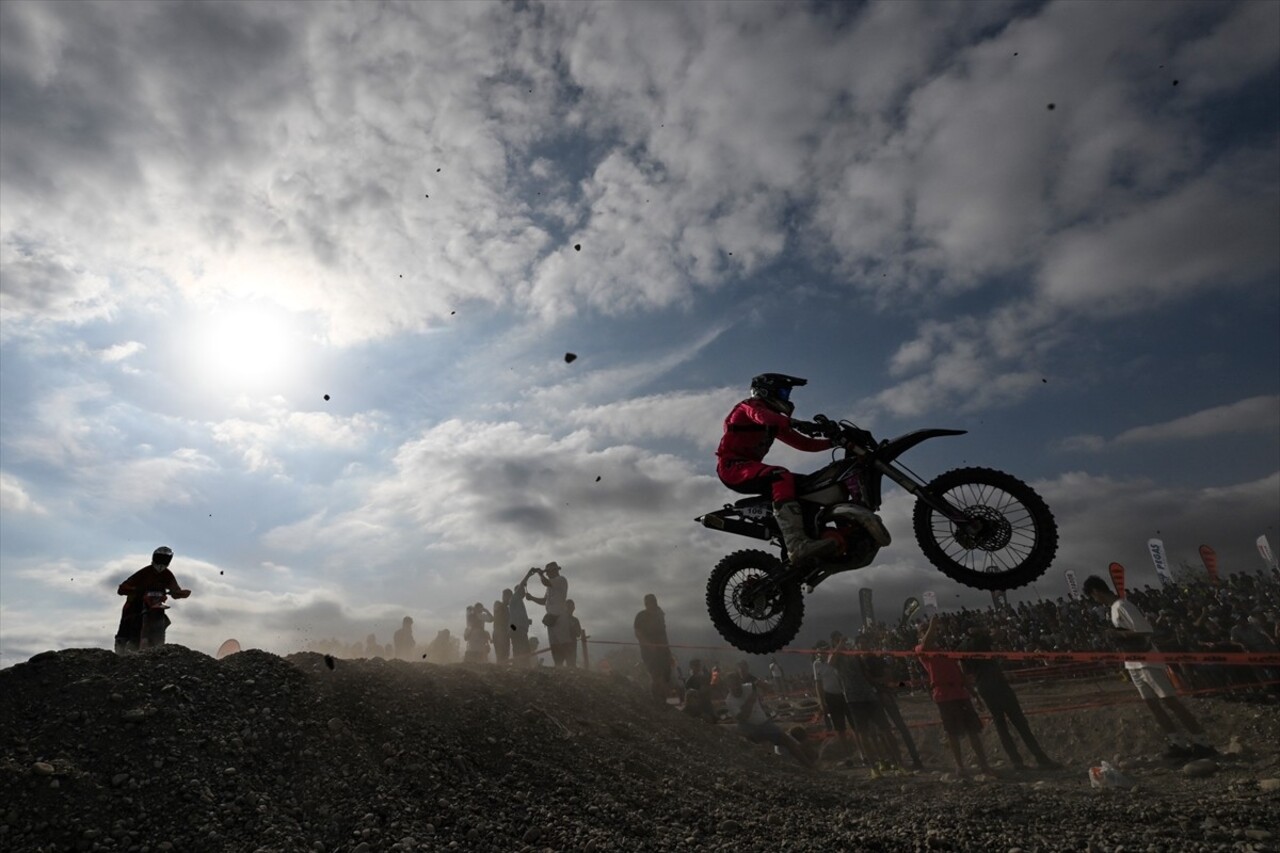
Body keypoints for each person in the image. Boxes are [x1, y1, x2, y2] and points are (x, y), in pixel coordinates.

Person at [715, 373, 887, 566]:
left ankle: (820, 535)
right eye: (783, 391)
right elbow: (762, 417)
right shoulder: (747, 407)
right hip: (732, 468)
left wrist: (835, 442)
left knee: (812, 486)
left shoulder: (773, 422)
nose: (786, 397)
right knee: (780, 475)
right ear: (765, 390)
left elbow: (804, 444)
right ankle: (797, 544)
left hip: (749, 467)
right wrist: (796, 422)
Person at [1083, 575, 1217, 759]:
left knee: (1170, 701)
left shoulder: (1123, 606)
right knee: (1152, 705)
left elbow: (1145, 630)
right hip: (1133, 662)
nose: (1094, 600)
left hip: (1148, 660)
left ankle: (1202, 741)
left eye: (1093, 596)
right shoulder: (1112, 610)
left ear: (1096, 592)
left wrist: (1117, 634)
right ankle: (1177, 742)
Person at [958, 626, 1058, 770]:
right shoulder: (981, 639)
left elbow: (964, 669)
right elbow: (998, 635)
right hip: (997, 682)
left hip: (983, 685)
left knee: (1001, 725)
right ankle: (1040, 758)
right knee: (1019, 721)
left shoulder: (961, 647)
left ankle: (1016, 761)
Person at [916, 616, 992, 778]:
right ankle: (960, 765)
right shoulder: (921, 649)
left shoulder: (945, 651)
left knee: (973, 730)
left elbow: (960, 673)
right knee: (953, 732)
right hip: (944, 695)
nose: (930, 632)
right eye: (924, 630)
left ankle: (984, 764)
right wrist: (932, 625)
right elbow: (926, 643)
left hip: (960, 692)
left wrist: (974, 695)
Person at [722, 671, 815, 770]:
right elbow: (742, 718)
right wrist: (750, 701)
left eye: (737, 684)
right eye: (733, 685)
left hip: (763, 722)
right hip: (748, 727)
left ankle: (810, 766)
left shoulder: (749, 687)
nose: (736, 687)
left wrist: (760, 683)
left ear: (740, 682)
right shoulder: (730, 701)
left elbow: (769, 688)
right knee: (748, 748)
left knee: (787, 740)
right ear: (728, 686)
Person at [114, 546, 191, 654]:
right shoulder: (144, 572)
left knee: (164, 620)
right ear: (154, 557)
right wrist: (135, 590)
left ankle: (157, 646)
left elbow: (175, 590)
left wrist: (180, 593)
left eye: (165, 559)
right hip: (137, 602)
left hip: (156, 604)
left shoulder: (167, 575)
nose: (162, 562)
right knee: (128, 615)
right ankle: (121, 644)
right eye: (160, 558)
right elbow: (122, 588)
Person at [526, 562, 572, 666]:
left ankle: (570, 665)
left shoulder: (561, 580)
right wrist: (532, 598)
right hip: (551, 618)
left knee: (564, 642)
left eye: (548, 572)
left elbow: (545, 582)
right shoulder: (550, 585)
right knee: (554, 644)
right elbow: (544, 601)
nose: (547, 574)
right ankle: (558, 665)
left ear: (554, 571)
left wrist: (540, 574)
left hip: (560, 617)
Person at [634, 593, 673, 702]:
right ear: (646, 604)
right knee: (656, 675)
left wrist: (668, 651)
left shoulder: (659, 615)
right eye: (649, 602)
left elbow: (663, 634)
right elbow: (638, 633)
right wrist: (649, 645)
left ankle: (663, 700)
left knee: (666, 675)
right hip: (650, 652)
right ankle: (656, 700)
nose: (651, 604)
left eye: (653, 602)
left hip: (663, 650)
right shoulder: (641, 616)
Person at [508, 570, 536, 666]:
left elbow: (517, 617)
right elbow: (522, 584)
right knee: (522, 651)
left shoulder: (518, 602)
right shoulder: (515, 598)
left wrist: (526, 621)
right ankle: (520, 668)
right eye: (522, 590)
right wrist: (528, 574)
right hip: (518, 630)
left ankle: (521, 668)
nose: (524, 592)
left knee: (522, 650)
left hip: (519, 629)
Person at [682, 658, 717, 723]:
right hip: (697, 706)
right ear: (691, 667)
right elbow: (688, 696)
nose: (698, 667)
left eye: (699, 665)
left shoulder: (704, 677)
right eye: (696, 665)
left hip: (706, 704)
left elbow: (710, 689)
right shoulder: (690, 681)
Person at [493, 591, 511, 665]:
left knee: (505, 654)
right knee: (500, 655)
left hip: (504, 634)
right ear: (505, 597)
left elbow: (510, 623)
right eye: (509, 597)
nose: (510, 600)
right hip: (499, 633)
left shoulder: (508, 609)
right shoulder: (498, 604)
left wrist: (515, 629)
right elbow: (505, 620)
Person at [564, 599, 583, 667]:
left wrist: (573, 627)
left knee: (572, 663)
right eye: (568, 607)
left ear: (574, 608)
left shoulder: (575, 620)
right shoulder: (561, 619)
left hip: (572, 645)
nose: (570, 609)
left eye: (571, 607)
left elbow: (578, 634)